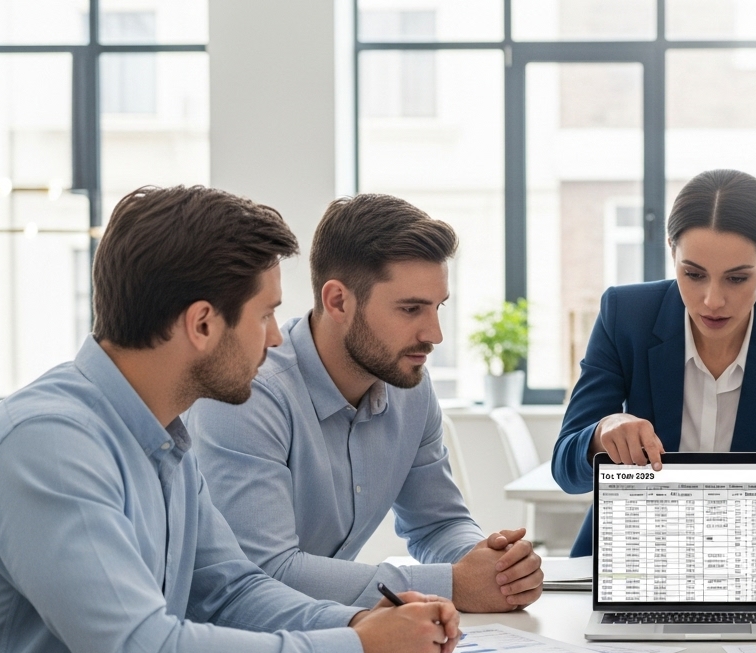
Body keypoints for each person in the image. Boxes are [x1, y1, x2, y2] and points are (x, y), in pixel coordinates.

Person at [0, 186, 460, 653]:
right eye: (264, 314)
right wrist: (356, 652)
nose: (275, 337)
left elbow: (231, 590)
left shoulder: (164, 438)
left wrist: (365, 622)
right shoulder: (49, 443)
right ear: (202, 324)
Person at [187, 194, 542, 611]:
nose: (434, 334)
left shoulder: (410, 386)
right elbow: (267, 572)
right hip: (234, 647)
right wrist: (451, 584)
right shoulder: (249, 395)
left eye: (438, 307)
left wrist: (495, 566)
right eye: (411, 309)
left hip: (325, 635)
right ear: (338, 301)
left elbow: (438, 523)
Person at [555, 169, 756, 557]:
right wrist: (602, 432)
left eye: (737, 279)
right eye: (693, 274)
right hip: (630, 558)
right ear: (671, 250)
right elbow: (565, 468)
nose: (712, 301)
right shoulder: (627, 316)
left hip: (749, 563)